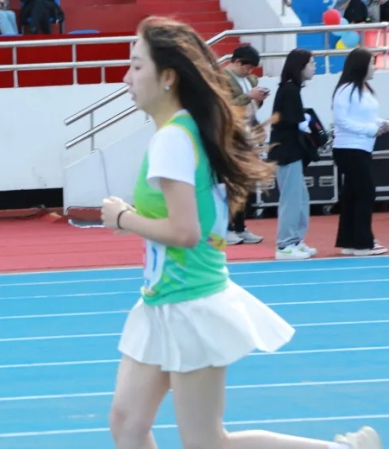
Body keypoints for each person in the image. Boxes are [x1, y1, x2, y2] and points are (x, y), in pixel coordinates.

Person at [100, 16, 382, 449]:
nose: (127, 77)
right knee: (127, 423)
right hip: (164, 300)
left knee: (207, 442)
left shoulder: (174, 139)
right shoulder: (186, 130)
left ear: (168, 76)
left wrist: (123, 218)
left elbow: (186, 232)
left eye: (137, 66)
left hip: (191, 304)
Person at [331, 48, 388, 256]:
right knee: (366, 192)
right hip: (348, 148)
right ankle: (363, 243)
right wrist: (371, 130)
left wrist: (382, 123)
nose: (375, 67)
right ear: (361, 66)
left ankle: (350, 241)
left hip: (362, 147)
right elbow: (342, 121)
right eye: (372, 63)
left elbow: (366, 117)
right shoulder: (346, 90)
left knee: (352, 194)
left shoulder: (364, 90)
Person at [268, 49, 319, 260]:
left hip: (293, 151)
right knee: (291, 199)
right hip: (286, 152)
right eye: (311, 63)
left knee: (301, 198)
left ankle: (296, 240)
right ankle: (285, 244)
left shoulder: (292, 90)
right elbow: (291, 121)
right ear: (300, 66)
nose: (314, 67)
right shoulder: (289, 90)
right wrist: (306, 123)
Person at [224, 44, 267, 245]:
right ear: (237, 62)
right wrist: (249, 96)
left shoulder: (251, 80)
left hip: (248, 134)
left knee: (246, 184)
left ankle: (240, 226)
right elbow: (224, 106)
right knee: (231, 184)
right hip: (230, 136)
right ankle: (227, 227)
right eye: (247, 67)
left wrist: (258, 98)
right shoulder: (222, 78)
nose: (250, 72)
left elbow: (252, 107)